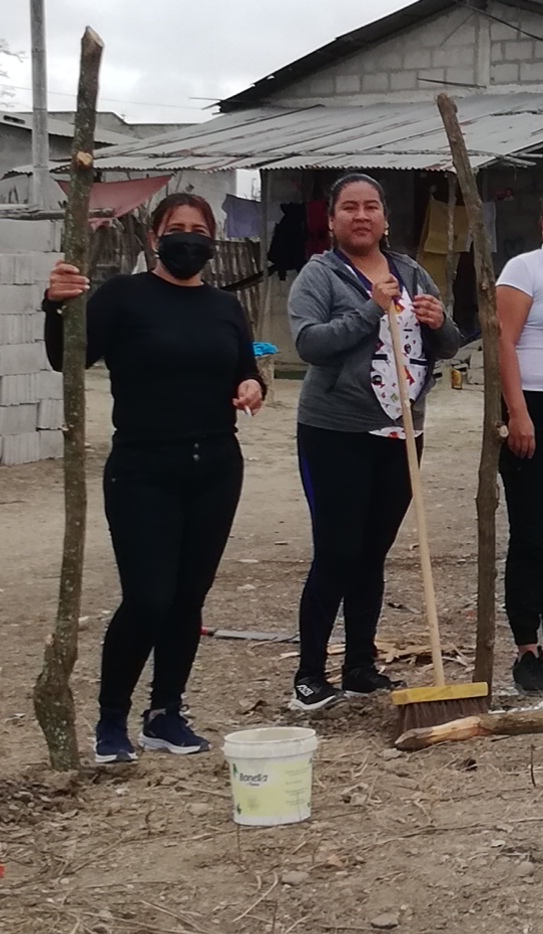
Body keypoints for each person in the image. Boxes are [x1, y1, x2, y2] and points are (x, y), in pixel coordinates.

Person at [43, 193, 265, 762]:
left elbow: (244, 368)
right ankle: (111, 721)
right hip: (143, 470)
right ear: (154, 238)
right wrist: (54, 306)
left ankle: (165, 713)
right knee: (148, 598)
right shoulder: (123, 295)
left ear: (211, 242)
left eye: (199, 230)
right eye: (176, 228)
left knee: (188, 597)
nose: (188, 239)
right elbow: (67, 358)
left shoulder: (225, 306)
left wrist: (252, 386)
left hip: (216, 466)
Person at [287, 173, 461, 711]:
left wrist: (439, 321)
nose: (360, 216)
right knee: (337, 550)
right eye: (349, 207)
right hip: (336, 431)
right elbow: (309, 344)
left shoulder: (412, 272)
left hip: (402, 432)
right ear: (332, 220)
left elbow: (449, 345)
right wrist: (369, 309)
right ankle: (309, 674)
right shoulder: (320, 275)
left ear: (385, 219)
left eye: (370, 207)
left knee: (373, 552)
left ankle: (360, 665)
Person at [497, 236, 543, 693]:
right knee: (531, 531)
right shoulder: (524, 269)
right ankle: (527, 647)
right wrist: (518, 413)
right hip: (532, 405)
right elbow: (504, 341)